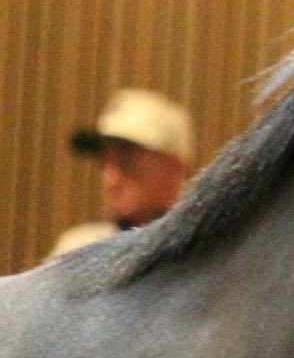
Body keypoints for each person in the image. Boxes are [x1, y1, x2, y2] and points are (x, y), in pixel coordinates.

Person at [49, 88, 194, 257]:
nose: (110, 180)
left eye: (127, 160)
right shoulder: (78, 251)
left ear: (174, 166)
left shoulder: (206, 256)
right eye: (104, 162)